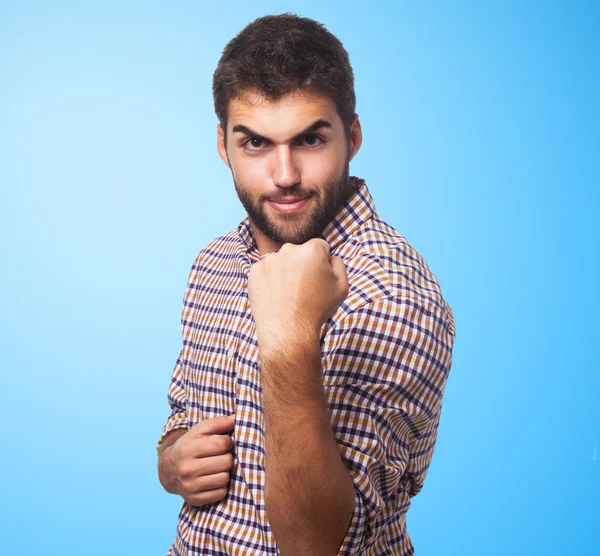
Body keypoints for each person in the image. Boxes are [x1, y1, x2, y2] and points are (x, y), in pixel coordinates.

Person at [156, 12, 456, 556]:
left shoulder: (394, 294)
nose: (286, 174)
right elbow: (180, 418)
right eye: (256, 144)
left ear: (353, 137)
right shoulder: (214, 262)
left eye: (310, 140)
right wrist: (174, 462)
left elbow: (319, 547)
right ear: (223, 145)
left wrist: (291, 338)